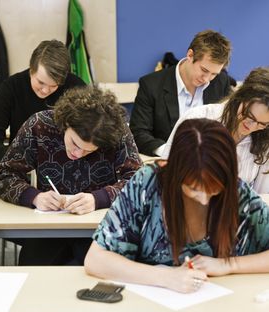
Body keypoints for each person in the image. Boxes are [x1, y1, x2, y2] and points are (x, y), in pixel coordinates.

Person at [85, 118, 269, 294]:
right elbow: (96, 260)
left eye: (214, 190)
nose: (204, 199)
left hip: (221, 310)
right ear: (172, 169)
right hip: (150, 310)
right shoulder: (147, 183)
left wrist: (229, 265)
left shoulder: (237, 192)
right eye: (193, 189)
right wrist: (165, 277)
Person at [0, 85, 142, 265]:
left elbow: (138, 182)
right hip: (49, 227)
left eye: (89, 150)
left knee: (99, 272)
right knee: (35, 274)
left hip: (99, 226)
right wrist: (34, 197)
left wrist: (99, 199)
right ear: (66, 123)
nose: (78, 154)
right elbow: (5, 175)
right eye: (74, 143)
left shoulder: (116, 133)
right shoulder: (39, 125)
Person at [162, 67, 269, 194]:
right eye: (248, 116)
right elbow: (165, 179)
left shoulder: (264, 139)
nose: (251, 127)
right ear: (240, 97)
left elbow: (262, 196)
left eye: (262, 124)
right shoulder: (197, 119)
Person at [0, 39, 85, 162]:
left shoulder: (76, 89)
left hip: (67, 167)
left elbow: (91, 137)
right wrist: (21, 157)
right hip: (22, 167)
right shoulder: (11, 87)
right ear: (31, 70)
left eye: (54, 86)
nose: (45, 91)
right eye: (41, 82)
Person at [129, 30, 232, 156]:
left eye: (214, 74)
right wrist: (168, 153)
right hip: (168, 164)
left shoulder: (221, 82)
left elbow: (228, 127)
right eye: (204, 70)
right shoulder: (151, 84)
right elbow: (139, 133)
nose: (206, 79)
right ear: (190, 55)